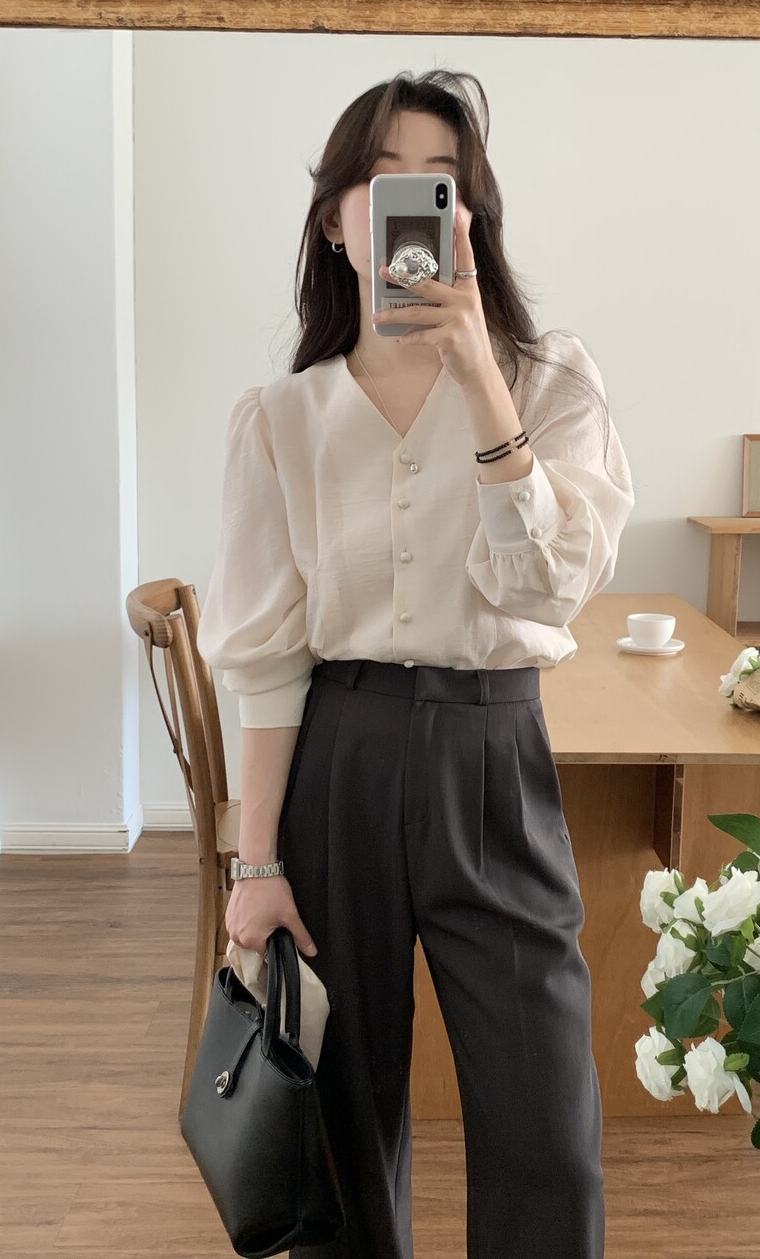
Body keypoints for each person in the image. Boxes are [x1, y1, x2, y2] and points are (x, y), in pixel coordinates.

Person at [196, 68, 635, 1259]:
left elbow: (550, 588)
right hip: (338, 756)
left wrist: (481, 378)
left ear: (469, 219)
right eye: (378, 178)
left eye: (438, 182)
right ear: (336, 221)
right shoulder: (280, 418)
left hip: (494, 751)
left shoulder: (552, 383)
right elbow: (268, 662)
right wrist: (255, 864)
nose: (407, 201)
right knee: (339, 1118)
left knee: (546, 1123)